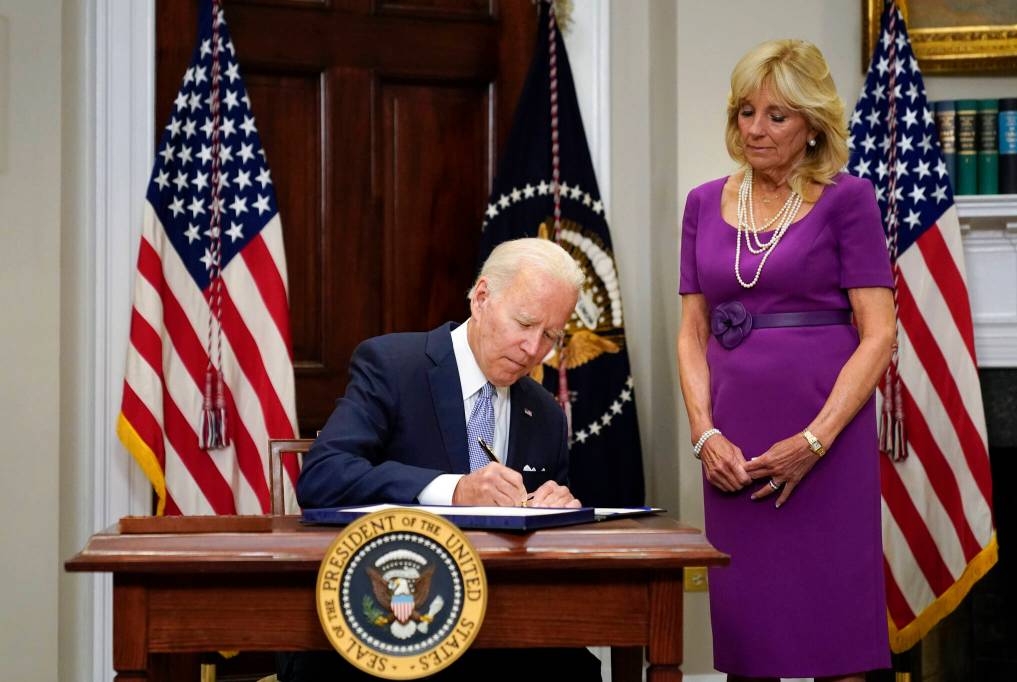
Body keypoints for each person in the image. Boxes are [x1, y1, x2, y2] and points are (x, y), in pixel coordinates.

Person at [676, 39, 896, 681]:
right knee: (749, 635)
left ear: (812, 124)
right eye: (746, 112)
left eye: (776, 116)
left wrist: (814, 440)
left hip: (827, 437)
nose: (756, 129)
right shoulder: (701, 203)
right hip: (733, 444)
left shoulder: (848, 199)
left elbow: (879, 333)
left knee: (838, 640)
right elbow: (691, 333)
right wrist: (704, 434)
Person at [283, 237, 600, 682]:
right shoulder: (392, 366)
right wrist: (454, 490)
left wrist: (559, 512)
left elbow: (540, 549)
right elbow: (323, 477)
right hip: (385, 613)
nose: (533, 349)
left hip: (501, 623)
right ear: (482, 298)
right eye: (525, 323)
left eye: (551, 336)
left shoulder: (545, 412)